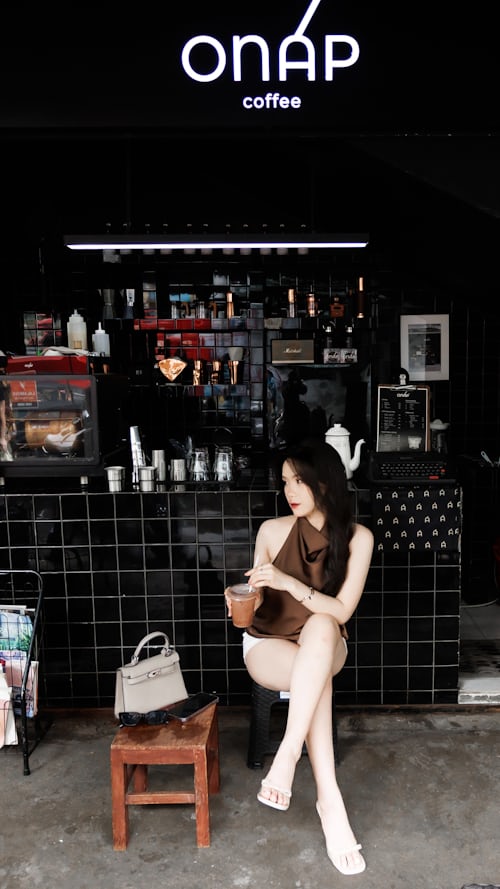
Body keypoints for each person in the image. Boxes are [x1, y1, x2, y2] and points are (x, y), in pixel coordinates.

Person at [225, 439, 374, 876]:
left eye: (299, 481)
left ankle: (288, 753)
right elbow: (254, 596)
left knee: (323, 627)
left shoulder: (359, 539)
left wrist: (290, 583)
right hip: (269, 644)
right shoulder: (271, 531)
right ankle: (331, 803)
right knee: (316, 679)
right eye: (285, 481)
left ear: (325, 483)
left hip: (324, 642)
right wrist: (241, 600)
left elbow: (341, 611)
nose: (289, 491)